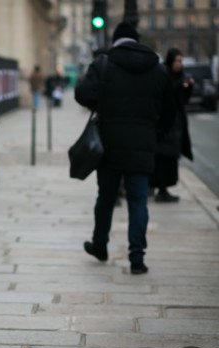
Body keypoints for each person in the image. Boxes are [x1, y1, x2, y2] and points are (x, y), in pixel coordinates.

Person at [75, 22, 175, 275]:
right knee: (139, 200)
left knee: (106, 198)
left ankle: (100, 244)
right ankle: (137, 257)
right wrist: (155, 133)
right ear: (137, 40)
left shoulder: (104, 63)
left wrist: (102, 100)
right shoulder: (158, 68)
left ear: (116, 40)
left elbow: (82, 94)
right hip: (143, 145)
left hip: (108, 144)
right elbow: (170, 112)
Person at [151, 48, 194, 203]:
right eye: (177, 60)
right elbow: (166, 96)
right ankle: (160, 189)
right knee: (162, 157)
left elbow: (183, 100)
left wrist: (188, 88)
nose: (179, 64)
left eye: (181, 61)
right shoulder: (164, 74)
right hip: (166, 122)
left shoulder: (181, 76)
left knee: (169, 157)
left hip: (176, 123)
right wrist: (179, 86)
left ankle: (162, 188)